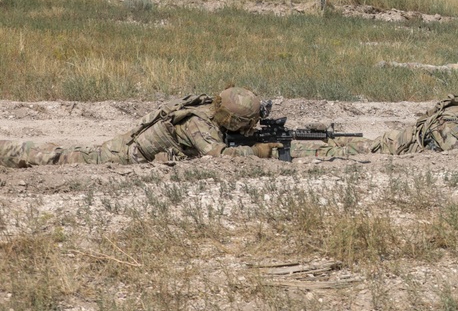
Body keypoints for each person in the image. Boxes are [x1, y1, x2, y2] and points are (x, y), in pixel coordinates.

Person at [0, 87, 279, 168]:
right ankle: (7, 151)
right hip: (122, 157)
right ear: (233, 120)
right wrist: (256, 152)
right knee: (61, 157)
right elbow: (217, 155)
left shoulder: (210, 109)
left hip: (131, 145)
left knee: (68, 153)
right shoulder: (198, 124)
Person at [294, 89, 458, 159]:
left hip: (396, 140)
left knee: (342, 142)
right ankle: (282, 150)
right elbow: (457, 154)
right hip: (389, 149)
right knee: (336, 152)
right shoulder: (450, 124)